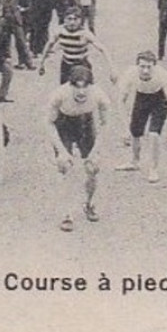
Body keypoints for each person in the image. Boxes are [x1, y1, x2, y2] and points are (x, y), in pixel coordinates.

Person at [41, 66, 113, 232]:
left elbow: (106, 123)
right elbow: (48, 123)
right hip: (63, 124)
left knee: (93, 167)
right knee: (65, 167)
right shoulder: (59, 95)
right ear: (70, 85)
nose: (81, 92)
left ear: (90, 86)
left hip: (85, 124)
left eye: (85, 86)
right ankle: (67, 214)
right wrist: (62, 151)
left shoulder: (99, 95)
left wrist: (95, 151)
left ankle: (89, 204)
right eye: (77, 86)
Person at [113, 50, 167, 182]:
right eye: (142, 66)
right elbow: (120, 101)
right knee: (134, 132)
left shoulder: (162, 75)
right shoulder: (130, 73)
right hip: (141, 97)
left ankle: (153, 168)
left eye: (149, 67)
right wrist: (124, 129)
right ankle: (134, 161)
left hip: (159, 100)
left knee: (153, 134)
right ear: (137, 66)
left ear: (154, 66)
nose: (145, 71)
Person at [37, 7, 113, 86]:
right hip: (66, 65)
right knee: (65, 90)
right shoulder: (60, 31)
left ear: (80, 20)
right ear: (64, 19)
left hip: (81, 65)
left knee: (83, 90)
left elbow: (103, 49)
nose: (72, 22)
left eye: (75, 19)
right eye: (69, 19)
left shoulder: (85, 34)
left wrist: (112, 69)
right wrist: (41, 64)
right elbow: (49, 44)